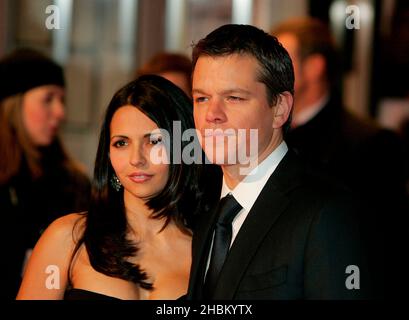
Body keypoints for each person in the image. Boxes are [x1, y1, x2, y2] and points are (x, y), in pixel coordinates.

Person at [187, 24, 371, 300]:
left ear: (280, 108)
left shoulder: (327, 213)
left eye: (234, 98)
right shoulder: (204, 211)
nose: (212, 114)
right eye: (201, 98)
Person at [17, 75, 209, 300]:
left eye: (154, 141)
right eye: (121, 143)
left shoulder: (209, 251)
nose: (136, 159)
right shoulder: (68, 239)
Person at [271, 17, 409, 298]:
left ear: (315, 67)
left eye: (283, 63)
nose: (273, 74)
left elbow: (386, 245)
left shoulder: (370, 143)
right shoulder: (267, 136)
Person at [0, 48, 90, 299]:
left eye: (62, 100)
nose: (60, 112)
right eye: (48, 98)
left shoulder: (73, 182)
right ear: (14, 104)